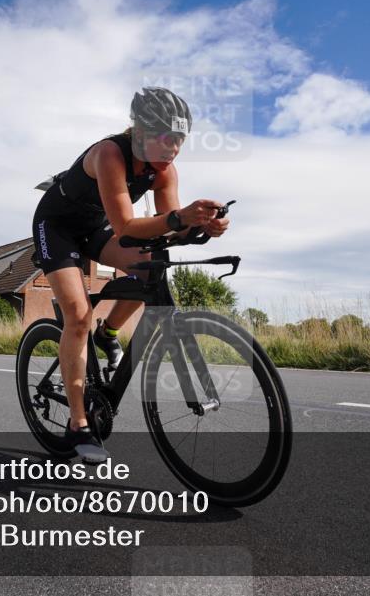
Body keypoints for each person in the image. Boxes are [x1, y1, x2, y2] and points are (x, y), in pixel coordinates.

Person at [31, 87, 229, 462]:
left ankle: (107, 336)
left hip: (95, 227)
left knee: (149, 268)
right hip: (57, 226)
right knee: (77, 315)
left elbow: (167, 227)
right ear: (139, 131)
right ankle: (78, 424)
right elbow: (126, 226)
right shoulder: (109, 154)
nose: (173, 147)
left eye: (180, 139)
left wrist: (201, 226)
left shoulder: (165, 171)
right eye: (166, 137)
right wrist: (180, 219)